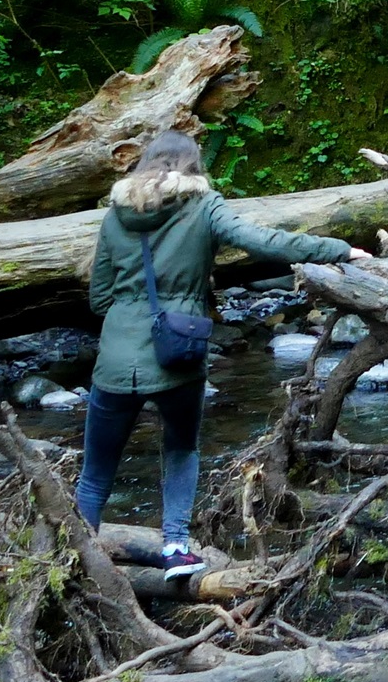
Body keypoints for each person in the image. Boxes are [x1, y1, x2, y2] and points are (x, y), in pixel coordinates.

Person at [78, 129, 369, 579]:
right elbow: (264, 241)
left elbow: (99, 298)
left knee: (96, 471)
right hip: (178, 353)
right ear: (193, 165)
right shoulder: (203, 206)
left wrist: (129, 311)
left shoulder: (116, 216)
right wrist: (338, 249)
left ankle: (77, 561)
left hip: (115, 360)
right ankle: (176, 548)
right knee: (179, 449)